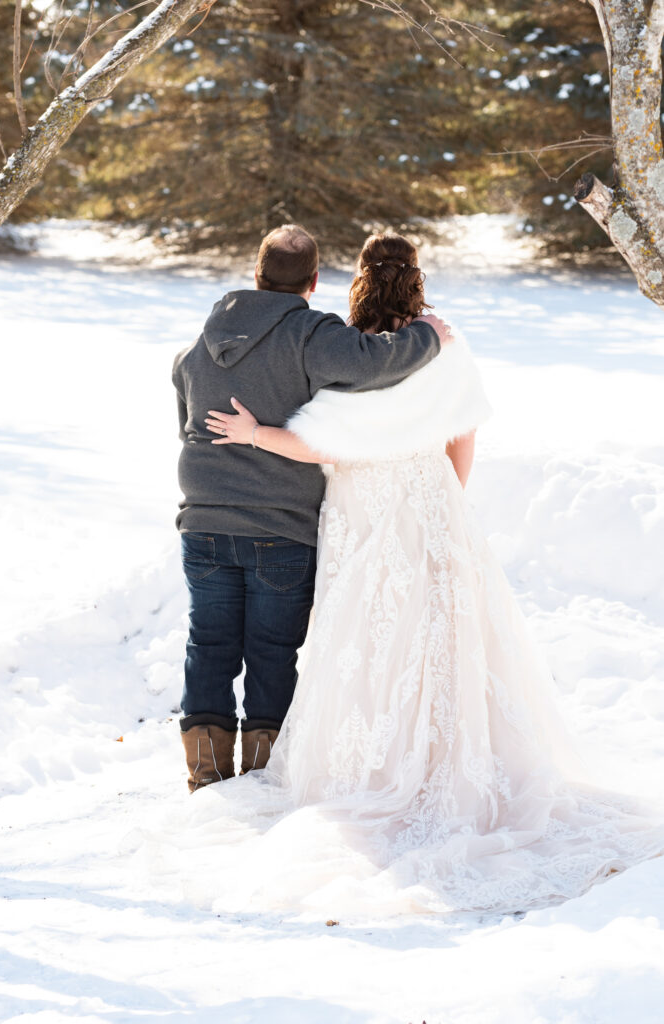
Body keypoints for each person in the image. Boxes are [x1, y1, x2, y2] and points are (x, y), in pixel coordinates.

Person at [178, 231, 664, 917]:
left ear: (353, 285)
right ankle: (448, 763)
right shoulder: (445, 344)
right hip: (431, 498)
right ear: (416, 279)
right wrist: (443, 503)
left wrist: (255, 435)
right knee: (444, 639)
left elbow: (318, 441)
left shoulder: (344, 352)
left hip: (360, 508)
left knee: (370, 643)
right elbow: (463, 435)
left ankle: (354, 765)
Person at [172, 224, 450, 792]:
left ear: (257, 273)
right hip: (280, 524)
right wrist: (429, 338)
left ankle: (204, 770)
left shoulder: (199, 343)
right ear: (315, 281)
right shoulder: (310, 334)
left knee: (209, 642)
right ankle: (261, 768)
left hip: (203, 521)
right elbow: (373, 364)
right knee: (273, 648)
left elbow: (186, 413)